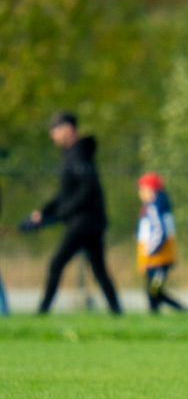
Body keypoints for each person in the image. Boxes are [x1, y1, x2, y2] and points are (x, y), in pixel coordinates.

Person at [31, 110, 122, 315]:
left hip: (84, 221)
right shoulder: (74, 154)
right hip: (89, 221)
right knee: (99, 269)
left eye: (54, 130)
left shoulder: (78, 154)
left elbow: (88, 188)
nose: (52, 135)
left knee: (57, 263)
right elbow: (65, 193)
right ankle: (117, 312)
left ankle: (42, 311)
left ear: (68, 128)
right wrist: (44, 212)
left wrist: (62, 212)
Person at [137, 172, 186, 314]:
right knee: (153, 291)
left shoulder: (154, 207)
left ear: (150, 190)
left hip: (158, 259)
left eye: (142, 189)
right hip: (155, 259)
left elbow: (160, 232)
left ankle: (181, 310)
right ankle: (162, 314)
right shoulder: (157, 206)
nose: (140, 193)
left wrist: (150, 251)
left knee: (153, 290)